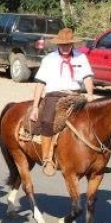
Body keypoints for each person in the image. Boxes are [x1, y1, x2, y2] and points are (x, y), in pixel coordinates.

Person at [28, 28, 97, 176]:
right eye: (62, 45)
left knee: (93, 119)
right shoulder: (49, 59)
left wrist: (90, 94)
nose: (65, 47)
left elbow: (87, 78)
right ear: (58, 44)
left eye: (68, 44)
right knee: (47, 121)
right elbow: (40, 84)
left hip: (76, 95)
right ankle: (47, 158)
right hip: (54, 95)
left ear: (72, 44)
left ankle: (96, 157)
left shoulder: (81, 57)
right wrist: (35, 107)